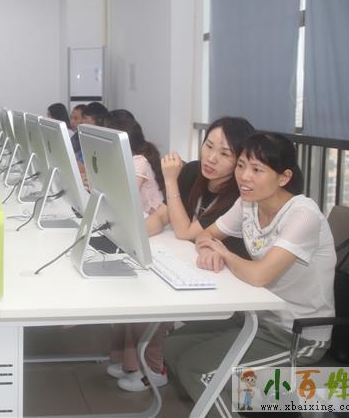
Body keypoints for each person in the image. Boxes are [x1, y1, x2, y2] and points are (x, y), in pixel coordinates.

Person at [165, 132, 334, 416]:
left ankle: (307, 400)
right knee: (172, 346)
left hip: (296, 335)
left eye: (257, 170)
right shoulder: (248, 204)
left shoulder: (303, 215)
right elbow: (204, 235)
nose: (244, 176)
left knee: (197, 369)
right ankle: (269, 402)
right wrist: (208, 249)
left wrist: (224, 253)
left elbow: (259, 276)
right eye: (241, 165)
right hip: (256, 318)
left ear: (284, 177)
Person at [103, 117, 170, 392]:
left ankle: (150, 370)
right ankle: (128, 362)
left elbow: (123, 194)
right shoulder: (124, 159)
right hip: (137, 225)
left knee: (140, 300)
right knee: (125, 297)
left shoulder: (138, 162)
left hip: (153, 229)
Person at [145, 117, 256, 259]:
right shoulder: (192, 170)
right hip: (188, 256)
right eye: (209, 146)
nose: (211, 158)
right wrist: (133, 234)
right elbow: (161, 216)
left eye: (224, 153)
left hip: (223, 267)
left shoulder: (240, 196)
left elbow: (185, 233)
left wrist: (170, 181)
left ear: (241, 161)